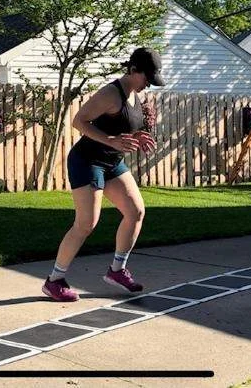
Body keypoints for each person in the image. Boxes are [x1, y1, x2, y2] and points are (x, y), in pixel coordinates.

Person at [42, 47, 164, 302]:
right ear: (133, 70)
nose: (147, 85)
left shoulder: (134, 96)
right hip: (87, 161)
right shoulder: (111, 93)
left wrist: (136, 137)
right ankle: (54, 280)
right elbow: (79, 121)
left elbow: (121, 128)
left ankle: (117, 270)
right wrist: (111, 140)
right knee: (86, 223)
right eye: (146, 79)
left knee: (136, 211)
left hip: (111, 162)